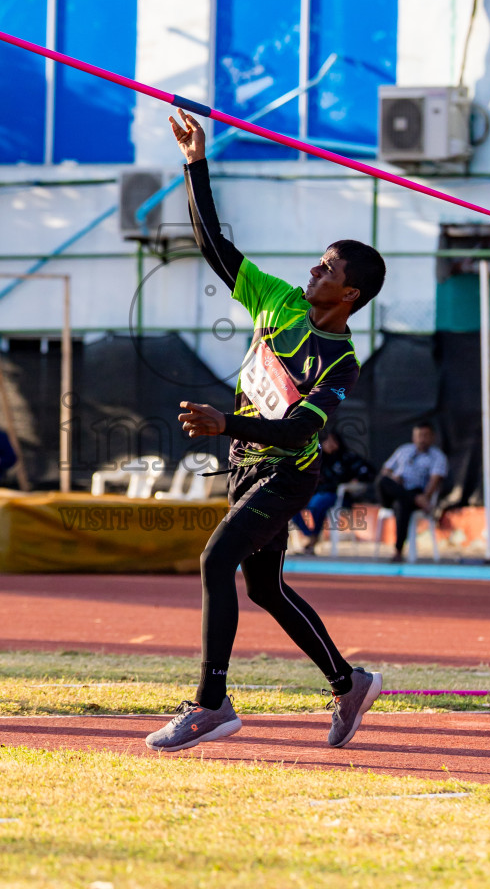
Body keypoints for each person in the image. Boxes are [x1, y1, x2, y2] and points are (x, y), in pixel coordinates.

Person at [145, 110, 386, 754]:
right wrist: (197, 164)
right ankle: (348, 681)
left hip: (284, 472)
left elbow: (299, 429)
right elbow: (214, 246)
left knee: (216, 560)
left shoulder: (340, 361)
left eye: (327, 267)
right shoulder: (278, 301)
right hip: (247, 462)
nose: (315, 269)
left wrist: (228, 421)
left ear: (349, 293)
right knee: (264, 587)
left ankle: (210, 704)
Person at [291, 430, 376, 552]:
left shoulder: (346, 458)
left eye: (333, 441)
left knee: (318, 502)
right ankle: (310, 535)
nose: (330, 444)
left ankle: (313, 538)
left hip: (339, 496)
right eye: (327, 441)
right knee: (291, 504)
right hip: (314, 494)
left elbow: (368, 471)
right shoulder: (316, 458)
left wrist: (356, 480)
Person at [376, 422, 448, 560]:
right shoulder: (403, 450)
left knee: (402, 504)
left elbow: (435, 480)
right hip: (394, 493)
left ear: (432, 437)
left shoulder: (437, 457)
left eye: (425, 436)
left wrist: (425, 496)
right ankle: (413, 499)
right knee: (382, 481)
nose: (422, 439)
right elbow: (386, 470)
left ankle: (398, 551)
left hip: (417, 493)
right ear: (413, 437)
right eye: (419, 435)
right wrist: (394, 478)